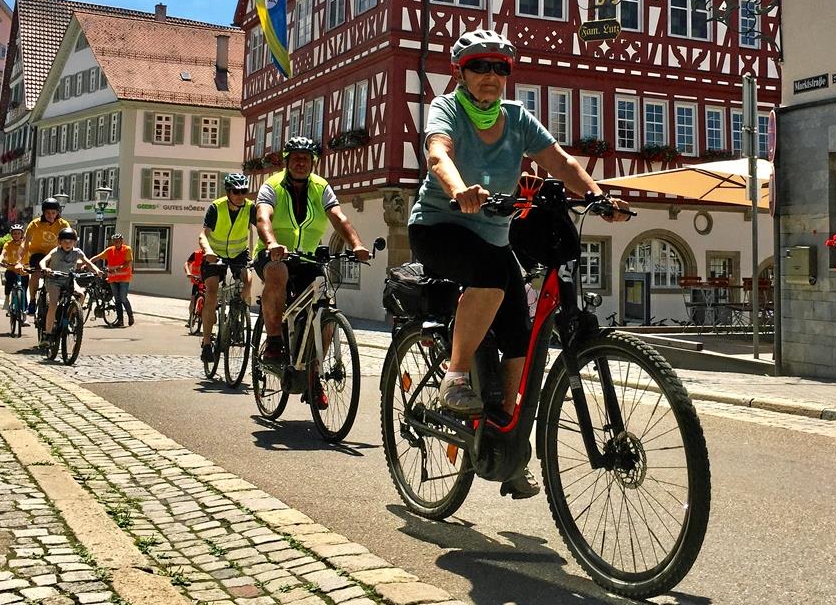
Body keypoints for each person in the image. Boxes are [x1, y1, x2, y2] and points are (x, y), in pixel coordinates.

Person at [407, 28, 630, 499]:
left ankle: (505, 439)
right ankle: (455, 376)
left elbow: (561, 162)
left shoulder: (517, 117)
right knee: (489, 278)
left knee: (520, 335)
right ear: (461, 72)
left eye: (500, 68)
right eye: (480, 66)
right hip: (439, 229)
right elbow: (437, 154)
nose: (491, 76)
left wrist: (597, 196)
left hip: (491, 236)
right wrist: (458, 188)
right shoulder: (447, 108)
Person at [253, 136, 371, 406]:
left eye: (306, 159)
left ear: (314, 163)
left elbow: (339, 217)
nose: (301, 163)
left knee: (324, 308)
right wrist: (271, 243)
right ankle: (273, 342)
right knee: (277, 272)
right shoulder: (271, 186)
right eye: (295, 158)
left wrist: (357, 245)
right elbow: (263, 217)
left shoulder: (322, 187)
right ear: (286, 161)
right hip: (274, 254)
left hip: (306, 258)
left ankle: (313, 376)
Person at [198, 172, 256, 363]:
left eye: (244, 191)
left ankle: (237, 316)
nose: (240, 195)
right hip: (215, 254)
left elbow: (263, 229)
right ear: (228, 192)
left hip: (239, 253)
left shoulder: (250, 208)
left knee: (248, 281)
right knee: (212, 292)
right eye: (236, 191)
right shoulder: (216, 207)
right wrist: (207, 251)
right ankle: (207, 344)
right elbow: (203, 234)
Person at [38, 228, 101, 344]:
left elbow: (88, 262)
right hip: (54, 280)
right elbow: (43, 261)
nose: (68, 244)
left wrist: (97, 271)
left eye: (70, 241)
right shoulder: (55, 251)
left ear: (75, 242)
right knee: (53, 304)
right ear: (59, 242)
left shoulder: (77, 252)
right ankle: (47, 334)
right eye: (65, 241)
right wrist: (45, 268)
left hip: (69, 280)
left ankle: (72, 316)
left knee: (81, 295)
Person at [18, 198, 71, 318]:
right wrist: (20, 261)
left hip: (54, 253)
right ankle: (32, 300)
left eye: (53, 213)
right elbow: (25, 243)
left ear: (58, 212)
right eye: (47, 213)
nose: (50, 216)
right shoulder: (35, 224)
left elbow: (70, 241)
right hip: (38, 253)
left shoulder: (63, 224)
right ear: (43, 212)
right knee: (36, 274)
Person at [93, 234, 134, 327]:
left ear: (122, 241)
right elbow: (98, 257)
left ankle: (130, 315)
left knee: (123, 298)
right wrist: (87, 263)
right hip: (113, 279)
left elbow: (127, 263)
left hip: (124, 278)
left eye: (118, 241)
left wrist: (116, 270)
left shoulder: (127, 249)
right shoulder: (110, 250)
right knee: (117, 300)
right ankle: (120, 321)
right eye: (115, 241)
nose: (116, 243)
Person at [0, 223, 28, 314]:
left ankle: (24, 314)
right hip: (11, 268)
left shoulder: (25, 244)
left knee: (24, 292)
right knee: (9, 283)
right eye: (15, 233)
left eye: (19, 233)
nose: (17, 235)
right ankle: (7, 299)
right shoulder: (8, 244)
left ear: (22, 234)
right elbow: (3, 253)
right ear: (11, 234)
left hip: (23, 270)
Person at [184, 246, 206, 329]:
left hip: (207, 282)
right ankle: (191, 318)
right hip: (197, 281)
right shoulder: (196, 254)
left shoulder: (213, 255)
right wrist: (188, 272)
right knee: (193, 300)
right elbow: (187, 263)